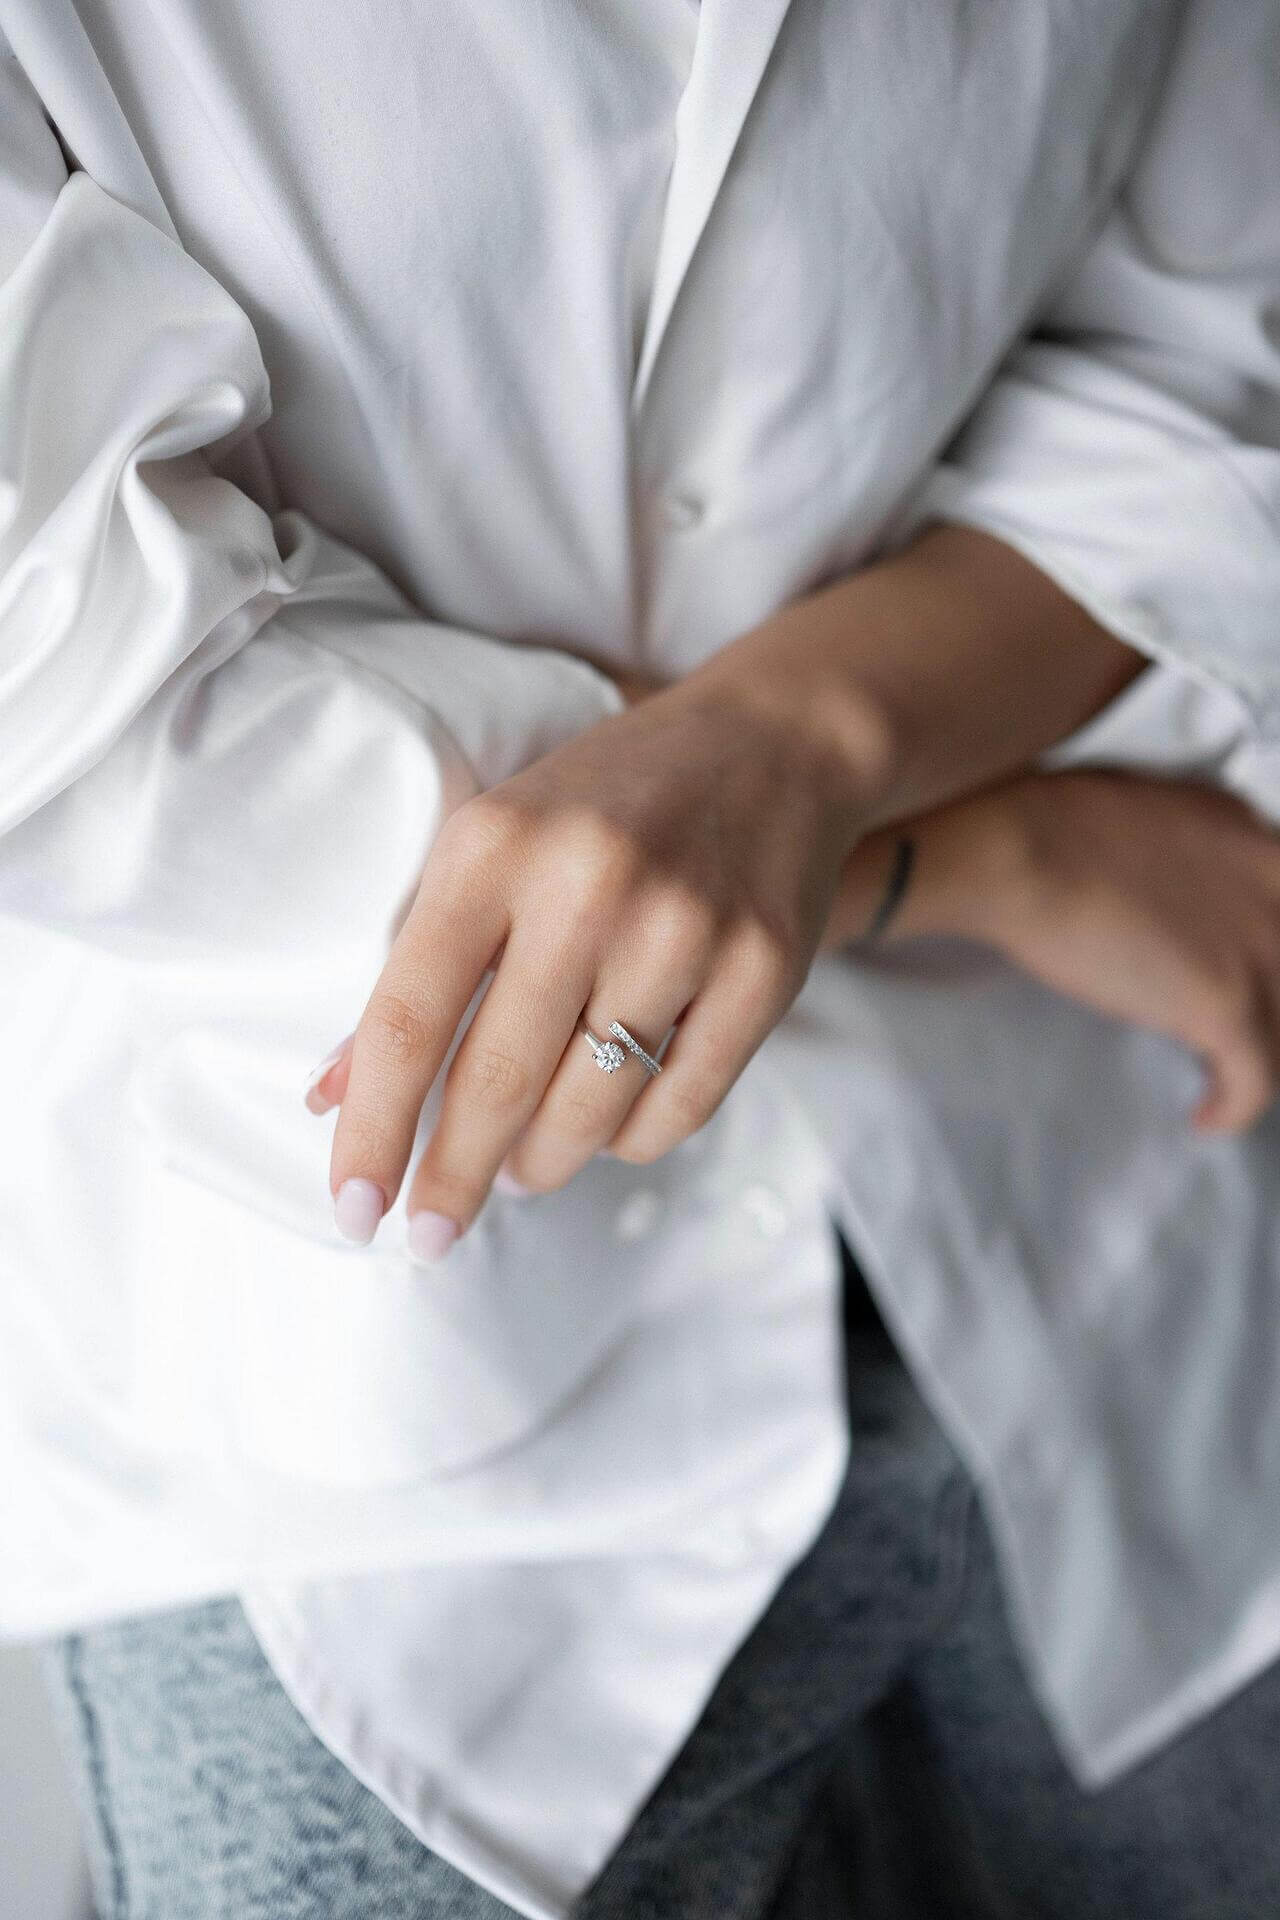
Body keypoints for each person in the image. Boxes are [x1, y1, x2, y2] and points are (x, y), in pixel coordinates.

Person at [5, 0, 1280, 1913]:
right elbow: (67, 681)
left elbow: (1196, 368)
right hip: (357, 1442)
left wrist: (806, 748)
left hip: (1063, 1250)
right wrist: (984, 853)